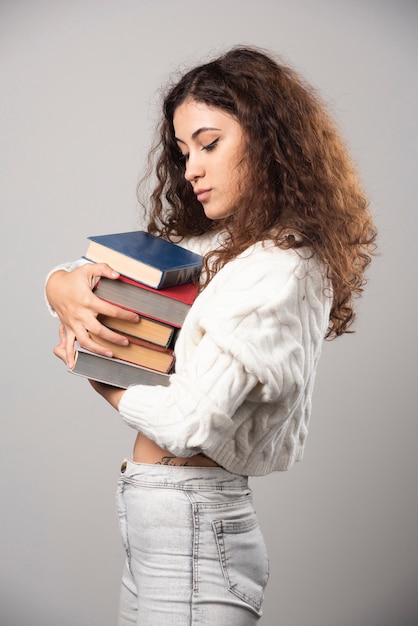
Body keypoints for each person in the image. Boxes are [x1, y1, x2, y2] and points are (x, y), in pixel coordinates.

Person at [45, 45, 376, 625]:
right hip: (154, 519)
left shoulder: (282, 267)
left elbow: (189, 425)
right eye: (183, 151)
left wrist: (102, 382)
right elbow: (99, 285)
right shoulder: (219, 249)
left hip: (193, 529)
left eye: (209, 143)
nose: (190, 167)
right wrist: (59, 287)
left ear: (268, 138)